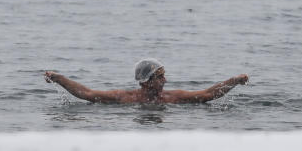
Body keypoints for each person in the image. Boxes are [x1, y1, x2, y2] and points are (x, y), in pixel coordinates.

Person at [44, 58, 249, 104]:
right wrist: (59, 78)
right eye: (160, 77)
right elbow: (87, 94)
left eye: (163, 75)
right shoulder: (124, 98)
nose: (165, 80)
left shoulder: (173, 98)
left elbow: (206, 95)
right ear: (146, 81)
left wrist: (234, 80)